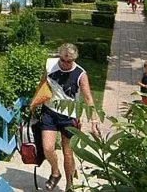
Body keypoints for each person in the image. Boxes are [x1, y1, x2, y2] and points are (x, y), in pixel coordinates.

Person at [40, 43, 100, 191]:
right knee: (47, 148)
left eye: (69, 61)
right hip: (49, 111)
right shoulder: (50, 64)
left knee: (68, 153)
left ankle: (70, 184)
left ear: (74, 59)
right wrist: (36, 100)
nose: (65, 64)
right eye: (63, 60)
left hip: (69, 117)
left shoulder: (80, 74)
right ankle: (55, 172)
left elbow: (88, 99)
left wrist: (94, 121)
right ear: (59, 56)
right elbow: (43, 83)